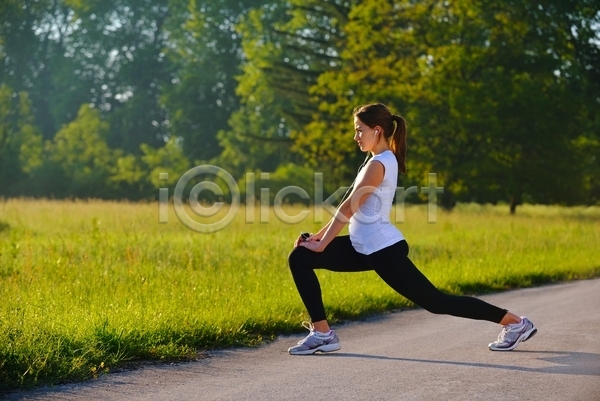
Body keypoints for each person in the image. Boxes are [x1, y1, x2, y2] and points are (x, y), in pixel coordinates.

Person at [287, 103, 537, 355]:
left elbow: (349, 208)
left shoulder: (379, 164)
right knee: (300, 257)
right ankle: (323, 333)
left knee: (437, 302)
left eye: (359, 130)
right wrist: (318, 238)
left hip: (383, 250)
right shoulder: (378, 160)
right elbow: (347, 205)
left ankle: (515, 323)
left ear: (376, 130)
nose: (356, 137)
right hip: (362, 245)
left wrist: (322, 244)